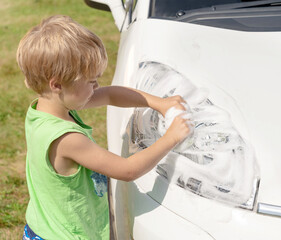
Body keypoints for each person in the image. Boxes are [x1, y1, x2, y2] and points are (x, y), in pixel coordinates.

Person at [17, 15, 191, 239]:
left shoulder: (46, 108)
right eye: (91, 82)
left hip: (41, 227)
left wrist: (160, 103)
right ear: (57, 84)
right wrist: (171, 137)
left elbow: (109, 94)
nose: (97, 86)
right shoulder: (67, 139)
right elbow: (127, 170)